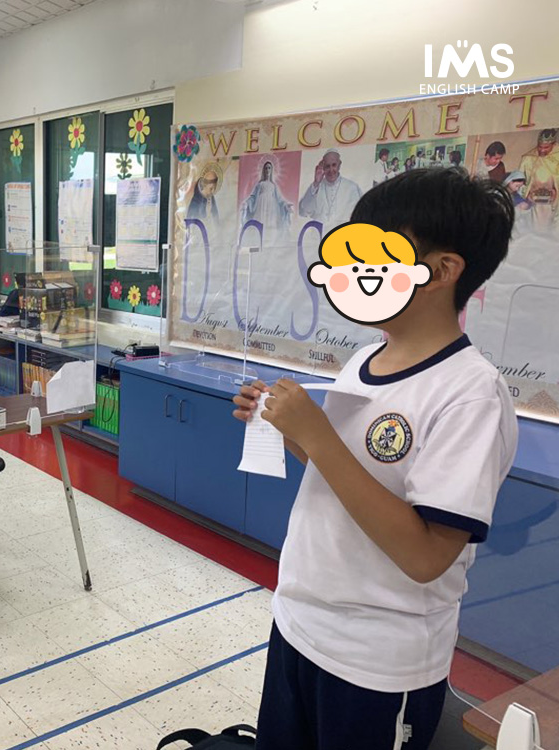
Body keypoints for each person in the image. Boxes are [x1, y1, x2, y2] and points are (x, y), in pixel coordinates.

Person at [234, 168, 518, 750]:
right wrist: (287, 428)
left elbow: (426, 555)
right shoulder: (364, 360)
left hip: (377, 662)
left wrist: (319, 437)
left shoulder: (471, 394)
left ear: (443, 270)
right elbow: (344, 477)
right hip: (299, 622)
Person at [298, 148, 363, 235]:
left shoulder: (352, 187)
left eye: (334, 165)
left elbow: (360, 216)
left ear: (339, 165)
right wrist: (316, 183)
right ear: (323, 167)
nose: (331, 170)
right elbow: (303, 211)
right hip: (319, 238)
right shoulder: (316, 186)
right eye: (327, 166)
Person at [240, 158, 293, 246]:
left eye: (269, 168)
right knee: (260, 224)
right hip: (260, 206)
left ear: (271, 170)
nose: (267, 170)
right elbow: (253, 197)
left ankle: (268, 244)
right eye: (266, 168)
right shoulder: (260, 184)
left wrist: (286, 205)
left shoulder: (273, 186)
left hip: (271, 208)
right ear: (263, 170)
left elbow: (280, 199)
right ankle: (258, 243)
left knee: (270, 225)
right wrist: (247, 203)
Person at [518, 128, 559, 232]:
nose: (542, 150)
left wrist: (555, 192)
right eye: (540, 146)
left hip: (554, 205)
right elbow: (518, 182)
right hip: (533, 204)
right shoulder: (528, 158)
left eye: (546, 147)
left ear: (553, 144)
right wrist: (527, 194)